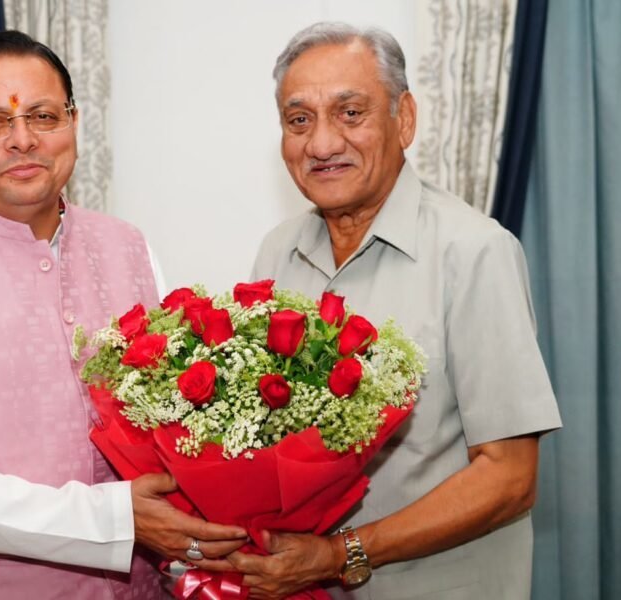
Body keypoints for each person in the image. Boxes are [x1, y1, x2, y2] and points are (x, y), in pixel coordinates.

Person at [0, 31, 246, 599]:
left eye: (43, 116)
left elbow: (175, 423)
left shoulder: (129, 248)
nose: (23, 139)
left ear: (74, 124)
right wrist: (114, 520)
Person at [222, 22, 563, 600]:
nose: (322, 143)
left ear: (404, 119)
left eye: (350, 113)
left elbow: (509, 477)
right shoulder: (277, 253)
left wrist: (340, 554)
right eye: (299, 120)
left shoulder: (473, 251)